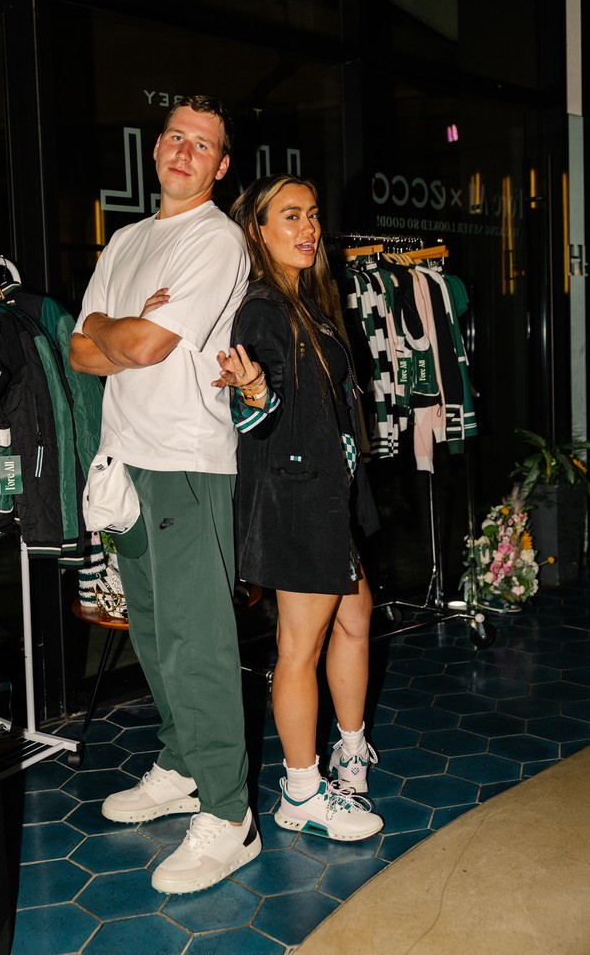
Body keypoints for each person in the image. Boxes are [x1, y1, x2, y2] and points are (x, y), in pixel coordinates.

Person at [69, 95, 261, 893]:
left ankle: (229, 814)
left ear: (220, 166)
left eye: (203, 144)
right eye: (175, 137)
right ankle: (182, 765)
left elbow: (139, 342)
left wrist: (120, 331)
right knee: (150, 630)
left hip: (186, 460)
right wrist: (118, 334)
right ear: (157, 150)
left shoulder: (215, 241)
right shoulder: (126, 240)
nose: (185, 151)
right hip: (128, 461)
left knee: (198, 640)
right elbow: (80, 350)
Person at [213, 173, 384, 843]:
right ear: (257, 231)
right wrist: (253, 392)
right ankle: (302, 790)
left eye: (312, 215)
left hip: (325, 496)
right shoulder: (263, 308)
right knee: (298, 647)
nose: (307, 228)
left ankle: (348, 748)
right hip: (296, 500)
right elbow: (260, 406)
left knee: (356, 617)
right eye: (289, 216)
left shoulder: (307, 301)